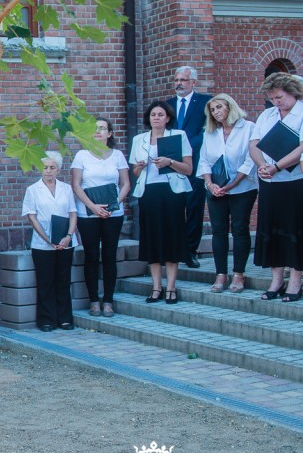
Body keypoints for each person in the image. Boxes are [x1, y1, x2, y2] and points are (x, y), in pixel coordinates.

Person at [129, 101, 194, 305]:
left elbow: (189, 169)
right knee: (152, 239)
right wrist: (140, 167)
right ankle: (156, 287)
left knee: (171, 238)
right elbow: (135, 172)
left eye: (160, 114)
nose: (156, 118)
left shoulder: (178, 136)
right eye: (153, 115)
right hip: (148, 192)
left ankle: (171, 287)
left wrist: (170, 162)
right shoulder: (139, 139)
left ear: (168, 118)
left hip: (172, 192)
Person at [248, 72, 303, 302]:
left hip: (295, 181)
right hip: (269, 181)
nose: (276, 102)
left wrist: (277, 166)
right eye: (271, 98)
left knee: (294, 229)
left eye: (279, 97)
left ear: (292, 92)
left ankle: (296, 280)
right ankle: (277, 279)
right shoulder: (267, 115)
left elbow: (301, 147)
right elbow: (254, 144)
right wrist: (262, 164)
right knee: (271, 229)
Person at [71, 116, 131, 318]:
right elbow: (76, 185)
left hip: (113, 214)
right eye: (94, 128)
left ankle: (108, 301)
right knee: (91, 256)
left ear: (110, 133)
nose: (97, 131)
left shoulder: (117, 155)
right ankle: (94, 301)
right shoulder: (81, 155)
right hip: (88, 214)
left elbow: (126, 184)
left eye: (102, 128)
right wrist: (93, 207)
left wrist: (114, 205)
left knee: (109, 256)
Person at [197, 94, 257, 294]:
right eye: (213, 109)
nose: (216, 112)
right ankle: (220, 274)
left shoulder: (248, 128)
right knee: (219, 231)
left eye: (219, 107)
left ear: (230, 107)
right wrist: (209, 184)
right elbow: (204, 160)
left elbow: (251, 159)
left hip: (243, 188)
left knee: (240, 229)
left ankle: (239, 274)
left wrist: (233, 183)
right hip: (216, 189)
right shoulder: (210, 132)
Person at [22, 152, 79, 331]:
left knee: (63, 280)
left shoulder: (66, 189)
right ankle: (46, 319)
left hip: (65, 242)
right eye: (45, 167)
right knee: (45, 282)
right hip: (42, 243)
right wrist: (48, 240)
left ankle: (65, 318)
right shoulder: (32, 190)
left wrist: (68, 236)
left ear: (58, 170)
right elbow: (31, 217)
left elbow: (73, 213)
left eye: (52, 167)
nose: (48, 171)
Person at [167, 66, 212, 268]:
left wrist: (189, 145)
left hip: (195, 163)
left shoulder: (205, 102)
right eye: (176, 80)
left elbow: (208, 129)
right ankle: (175, 250)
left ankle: (190, 251)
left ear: (194, 82)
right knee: (174, 208)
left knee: (194, 207)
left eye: (183, 80)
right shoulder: (167, 105)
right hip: (172, 164)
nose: (179, 84)